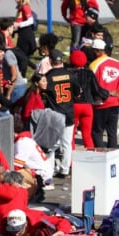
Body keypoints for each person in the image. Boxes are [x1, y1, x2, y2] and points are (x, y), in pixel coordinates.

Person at [89, 39, 119, 149]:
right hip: (115, 103)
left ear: (97, 51)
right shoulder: (117, 63)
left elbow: (92, 86)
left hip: (100, 103)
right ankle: (112, 157)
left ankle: (100, 157)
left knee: (97, 132)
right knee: (112, 132)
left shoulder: (94, 65)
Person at [43, 50, 80, 178]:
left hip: (55, 114)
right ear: (62, 61)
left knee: (51, 145)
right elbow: (78, 92)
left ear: (51, 61)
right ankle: (65, 169)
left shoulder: (48, 76)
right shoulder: (70, 75)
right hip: (69, 112)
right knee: (67, 144)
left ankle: (51, 169)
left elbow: (43, 93)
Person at [69, 50, 109, 150]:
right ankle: (90, 156)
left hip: (74, 105)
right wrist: (107, 94)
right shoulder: (89, 73)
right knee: (87, 135)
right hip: (87, 106)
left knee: (71, 136)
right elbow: (97, 89)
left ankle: (71, 160)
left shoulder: (68, 73)